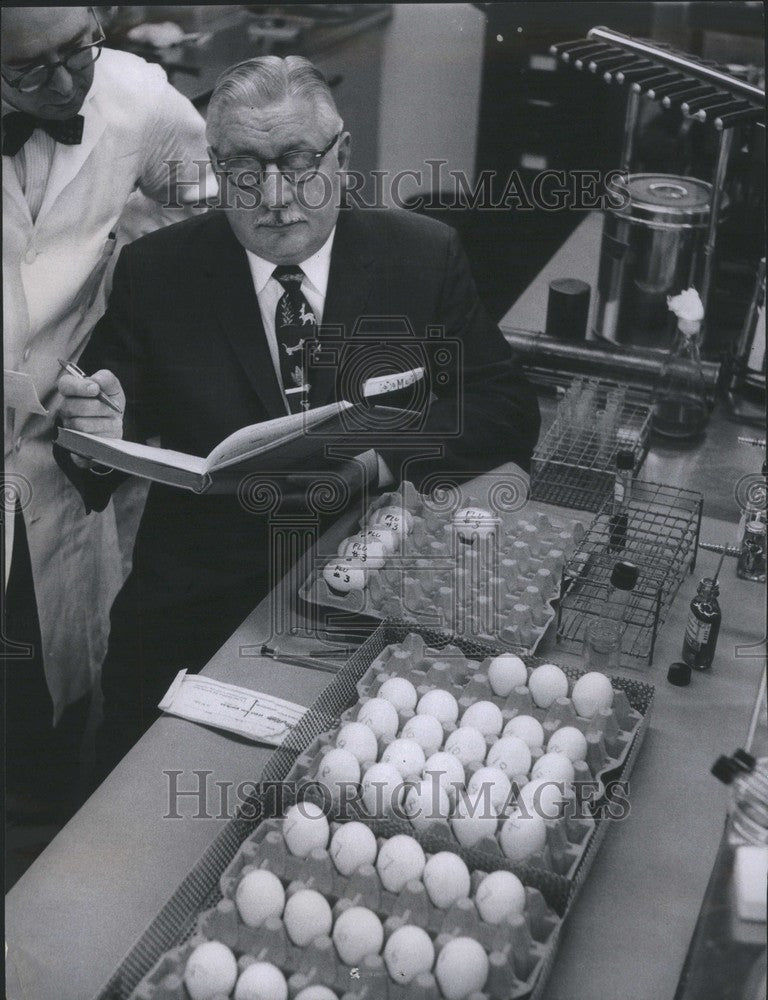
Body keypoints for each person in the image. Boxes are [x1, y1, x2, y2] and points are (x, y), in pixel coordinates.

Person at [56, 54, 541, 776]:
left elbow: (505, 407)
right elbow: (93, 456)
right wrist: (97, 434)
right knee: (137, 808)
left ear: (344, 155)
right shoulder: (159, 272)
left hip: (374, 593)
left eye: (298, 162)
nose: (275, 197)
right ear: (216, 167)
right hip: (194, 607)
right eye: (246, 170)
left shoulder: (421, 256)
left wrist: (379, 458)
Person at [2, 5, 213, 824]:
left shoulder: (138, 102)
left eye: (77, 48)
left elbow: (215, 214)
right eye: (28, 69)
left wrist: (133, 325)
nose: (64, 83)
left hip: (57, 462)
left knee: (49, 717)